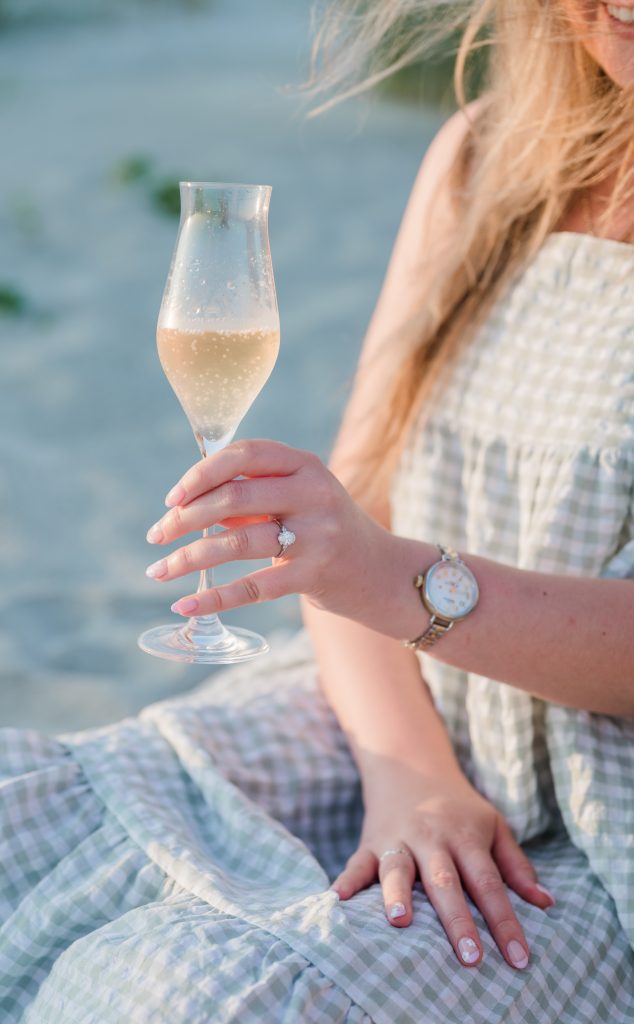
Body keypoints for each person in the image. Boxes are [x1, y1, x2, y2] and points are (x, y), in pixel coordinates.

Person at [2, 1, 633, 1021]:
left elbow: (370, 561)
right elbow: (365, 493)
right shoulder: (482, 157)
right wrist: (412, 774)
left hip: (590, 827)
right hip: (384, 711)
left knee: (197, 995)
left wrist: (386, 577)